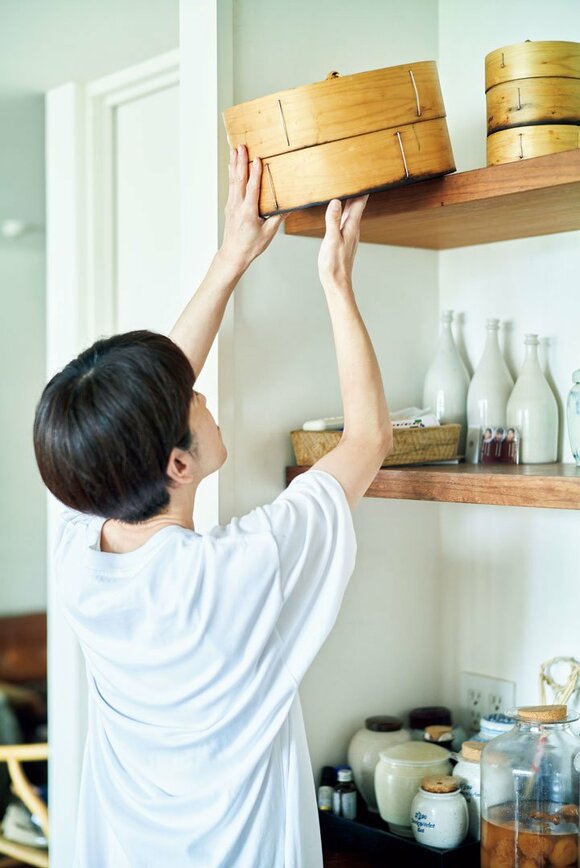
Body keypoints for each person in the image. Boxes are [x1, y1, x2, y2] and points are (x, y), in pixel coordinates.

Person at [33, 146, 392, 867]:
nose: (200, 391)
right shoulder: (240, 569)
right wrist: (336, 280)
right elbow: (370, 440)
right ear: (177, 465)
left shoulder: (81, 555)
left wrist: (233, 256)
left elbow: (138, 418)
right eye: (191, 399)